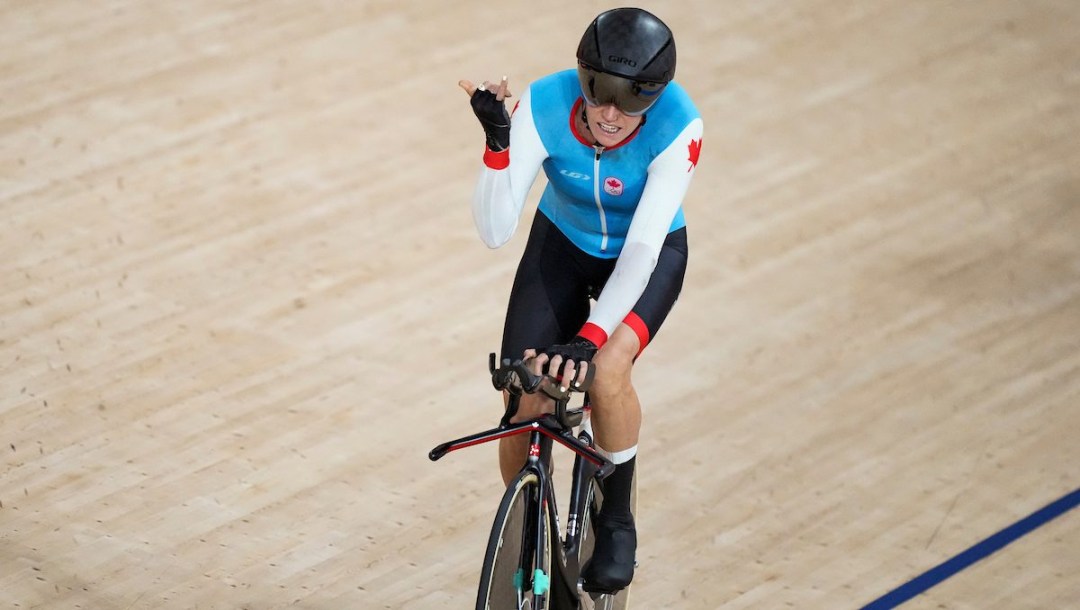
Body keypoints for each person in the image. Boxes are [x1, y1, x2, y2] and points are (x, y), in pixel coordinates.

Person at [459, 7, 703, 593]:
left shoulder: (680, 125)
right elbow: (495, 231)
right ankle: (525, 524)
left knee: (606, 372)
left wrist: (590, 340)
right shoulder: (544, 103)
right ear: (582, 79)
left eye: (631, 103)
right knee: (526, 389)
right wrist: (498, 146)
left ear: (656, 97)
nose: (613, 115)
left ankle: (617, 521)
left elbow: (642, 252)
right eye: (601, 96)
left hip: (644, 255)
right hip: (561, 244)